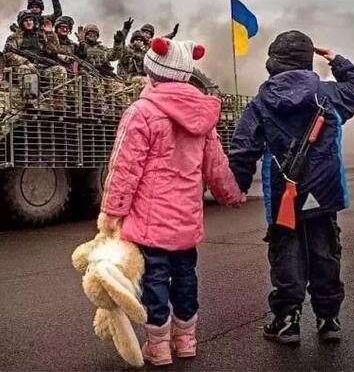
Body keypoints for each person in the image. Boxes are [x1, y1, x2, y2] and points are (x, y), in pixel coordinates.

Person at [98, 36, 246, 366]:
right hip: (186, 220)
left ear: (152, 72)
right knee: (185, 277)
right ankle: (186, 339)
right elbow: (216, 166)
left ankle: (159, 346)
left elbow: (124, 167)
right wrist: (232, 195)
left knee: (154, 280)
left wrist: (111, 213)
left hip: (150, 223)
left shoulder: (141, 112)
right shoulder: (203, 116)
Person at [229, 30, 354, 345]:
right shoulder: (329, 94)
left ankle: (287, 320)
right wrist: (337, 60)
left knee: (286, 254)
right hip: (325, 193)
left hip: (283, 194)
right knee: (325, 253)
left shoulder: (261, 102)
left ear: (273, 62)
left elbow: (243, 149)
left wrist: (237, 188)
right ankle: (328, 319)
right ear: (307, 60)